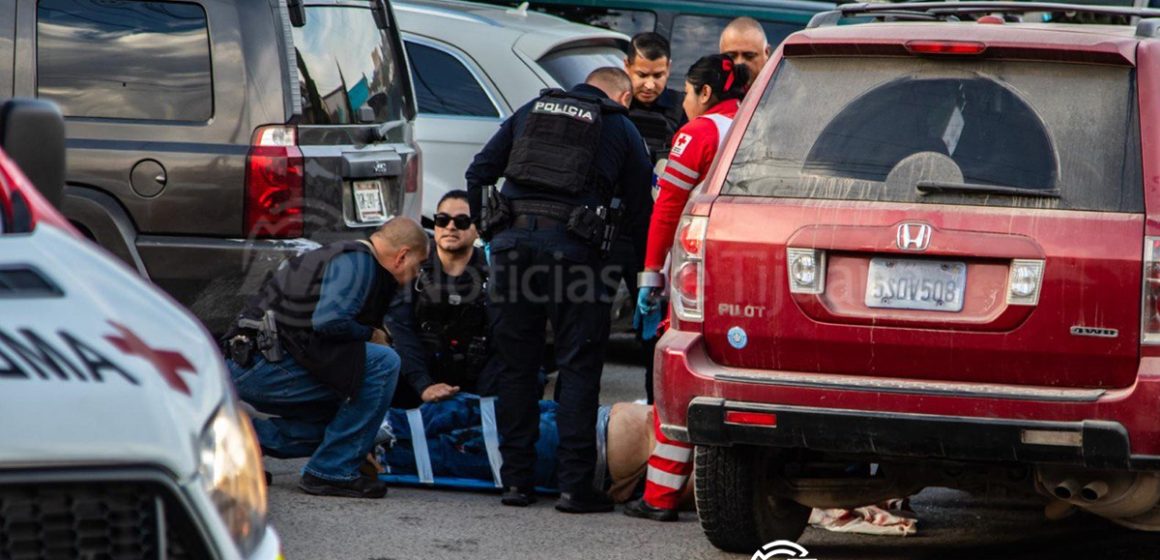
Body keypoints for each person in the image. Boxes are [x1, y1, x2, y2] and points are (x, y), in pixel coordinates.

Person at [465, 67, 652, 513]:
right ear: (623, 96)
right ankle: (573, 488)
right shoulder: (620, 125)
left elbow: (478, 173)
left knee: (516, 367)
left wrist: (489, 234)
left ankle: (516, 483)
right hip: (574, 257)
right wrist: (646, 273)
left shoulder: (532, 109)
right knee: (578, 367)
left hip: (511, 252)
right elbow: (642, 207)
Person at [623, 54, 749, 521]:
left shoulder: (700, 132)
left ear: (706, 93)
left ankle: (659, 496)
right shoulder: (759, 123)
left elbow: (667, 209)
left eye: (689, 93)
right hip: (750, 275)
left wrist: (649, 275)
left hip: (696, 278)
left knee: (678, 380)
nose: (685, 103)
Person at [224, 217, 428, 499]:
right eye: (419, 265)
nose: (417, 274)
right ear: (402, 256)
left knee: (351, 418)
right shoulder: (358, 263)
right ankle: (331, 472)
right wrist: (371, 335)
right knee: (384, 362)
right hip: (262, 368)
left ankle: (241, 442)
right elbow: (330, 322)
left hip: (255, 365)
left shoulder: (347, 256)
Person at [385, 190, 490, 409]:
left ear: (477, 228)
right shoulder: (411, 267)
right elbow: (401, 332)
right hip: (417, 375)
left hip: (476, 377)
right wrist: (423, 385)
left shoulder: (492, 273)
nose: (450, 227)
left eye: (462, 221)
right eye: (442, 220)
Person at [624, 32, 687, 163]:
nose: (650, 85)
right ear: (627, 66)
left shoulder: (684, 108)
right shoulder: (612, 103)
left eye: (658, 76)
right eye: (642, 75)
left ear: (668, 68)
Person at [719, 17, 773, 87]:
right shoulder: (710, 91)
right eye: (731, 56)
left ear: (767, 53)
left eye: (749, 56)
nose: (739, 62)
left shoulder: (780, 89)